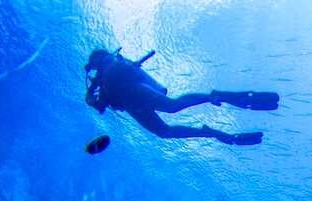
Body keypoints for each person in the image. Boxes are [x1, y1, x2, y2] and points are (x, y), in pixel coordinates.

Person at [84, 48, 280, 145]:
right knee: (164, 131)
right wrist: (92, 93)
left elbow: (104, 96)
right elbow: (100, 107)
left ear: (97, 61)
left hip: (134, 92)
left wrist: (92, 90)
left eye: (93, 64)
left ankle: (213, 97)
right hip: (132, 104)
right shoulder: (102, 81)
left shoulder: (109, 67)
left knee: (172, 107)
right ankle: (208, 131)